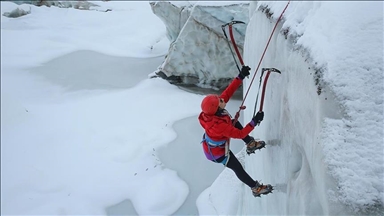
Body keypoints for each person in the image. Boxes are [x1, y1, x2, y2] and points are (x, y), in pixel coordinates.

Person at [198, 65, 273, 197]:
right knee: (237, 168)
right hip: (217, 154)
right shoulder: (218, 125)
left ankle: (250, 144)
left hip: (214, 144)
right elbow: (240, 134)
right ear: (216, 108)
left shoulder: (215, 110)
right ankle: (255, 188)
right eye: (220, 100)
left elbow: (228, 92)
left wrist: (240, 76)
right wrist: (254, 122)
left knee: (234, 122)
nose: (222, 99)